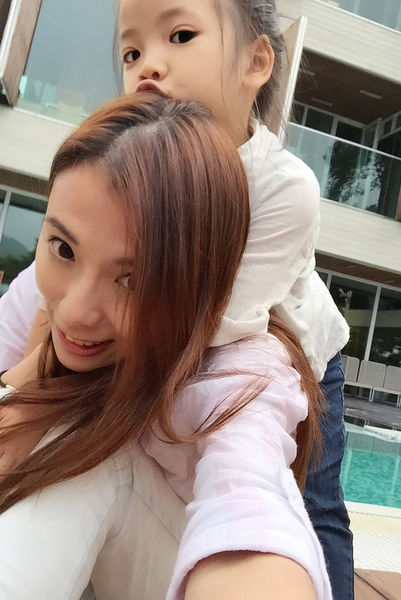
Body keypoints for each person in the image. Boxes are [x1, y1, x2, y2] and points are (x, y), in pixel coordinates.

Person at [0, 1, 353, 597]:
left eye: (181, 35)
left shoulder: (282, 186)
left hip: (301, 342)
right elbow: (29, 310)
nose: (149, 66)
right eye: (131, 51)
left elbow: (207, 328)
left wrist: (41, 378)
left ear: (256, 62)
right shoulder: (126, 177)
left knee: (318, 508)